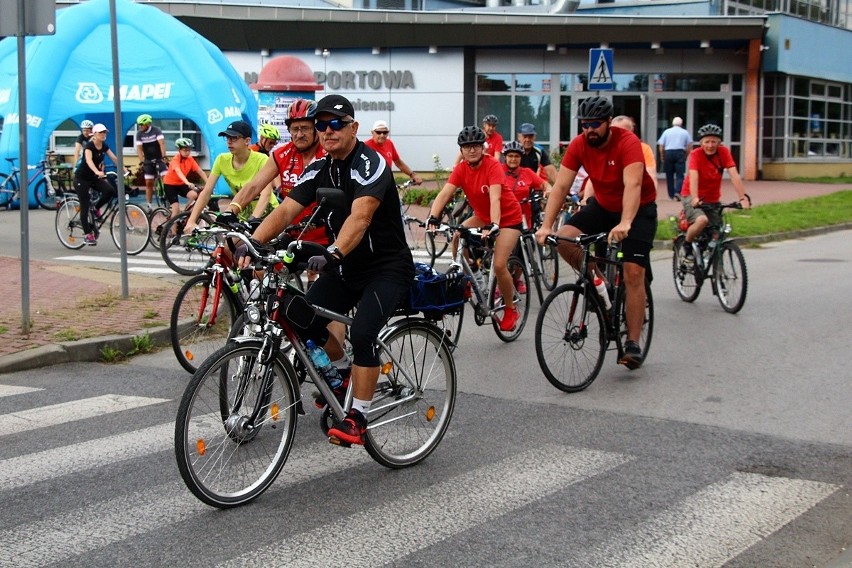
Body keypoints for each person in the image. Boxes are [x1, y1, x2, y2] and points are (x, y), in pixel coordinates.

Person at [239, 94, 413, 446]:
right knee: (300, 318)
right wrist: (253, 244)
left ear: (353, 127)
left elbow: (360, 216)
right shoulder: (319, 168)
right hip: (346, 265)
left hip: (386, 267)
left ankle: (358, 418)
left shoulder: (370, 163)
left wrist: (333, 252)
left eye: (336, 123)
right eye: (322, 124)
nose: (328, 130)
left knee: (363, 333)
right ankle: (345, 375)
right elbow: (287, 210)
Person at [535, 95, 657, 370]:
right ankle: (600, 286)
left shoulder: (627, 142)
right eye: (584, 124)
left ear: (608, 123)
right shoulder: (580, 144)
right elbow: (561, 187)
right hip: (603, 206)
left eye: (595, 124)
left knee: (633, 271)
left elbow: (634, 184)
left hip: (638, 209)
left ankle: (633, 344)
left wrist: (625, 222)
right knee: (564, 238)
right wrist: (546, 225)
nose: (589, 129)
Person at [428, 126, 524, 332]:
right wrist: (433, 217)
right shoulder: (461, 169)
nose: (471, 150)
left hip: (507, 218)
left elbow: (495, 197)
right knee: (457, 234)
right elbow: (445, 194)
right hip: (482, 216)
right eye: (467, 147)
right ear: (461, 150)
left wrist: (495, 224)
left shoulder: (492, 165)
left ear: (482, 148)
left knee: (499, 265)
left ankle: (510, 308)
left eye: (475, 146)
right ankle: (470, 274)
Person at [229, 98, 330, 279]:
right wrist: (231, 210)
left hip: (326, 238)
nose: (299, 134)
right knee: (262, 274)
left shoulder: (329, 154)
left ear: (316, 129)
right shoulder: (281, 154)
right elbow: (253, 186)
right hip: (292, 234)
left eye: (305, 128)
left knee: (322, 295)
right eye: (294, 129)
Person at [184, 120, 277, 232]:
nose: (229, 142)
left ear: (247, 141)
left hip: (267, 216)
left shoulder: (262, 159)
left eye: (234, 138)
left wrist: (253, 220)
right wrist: (191, 221)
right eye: (227, 138)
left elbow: (266, 194)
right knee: (226, 248)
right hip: (242, 217)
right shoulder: (221, 160)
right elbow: (206, 192)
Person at [679, 123, 751, 257]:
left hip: (712, 198)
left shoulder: (724, 152)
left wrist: (742, 198)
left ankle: (713, 264)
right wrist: (694, 198)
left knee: (718, 232)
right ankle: (687, 245)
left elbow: (734, 175)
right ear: (701, 143)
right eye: (707, 142)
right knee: (702, 220)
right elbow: (693, 177)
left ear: (719, 143)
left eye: (714, 142)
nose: (710, 145)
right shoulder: (695, 154)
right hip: (691, 195)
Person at [73, 123, 119, 246]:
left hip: (93, 177)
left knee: (109, 190)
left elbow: (114, 158)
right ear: (95, 134)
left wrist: (124, 169)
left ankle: (96, 208)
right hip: (81, 178)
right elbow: (88, 161)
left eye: (105, 132)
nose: (104, 135)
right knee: (85, 204)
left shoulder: (104, 146)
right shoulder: (89, 146)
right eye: (101, 133)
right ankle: (88, 234)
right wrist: (97, 171)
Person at [363, 120, 423, 186]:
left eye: (385, 132)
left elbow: (398, 162)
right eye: (378, 132)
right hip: (372, 184)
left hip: (387, 181)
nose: (382, 135)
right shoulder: (366, 146)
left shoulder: (389, 143)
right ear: (372, 133)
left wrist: (412, 174)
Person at [161, 137, 207, 220]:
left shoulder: (190, 159)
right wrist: (187, 182)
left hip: (180, 184)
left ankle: (185, 214)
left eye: (189, 150)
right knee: (176, 209)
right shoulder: (175, 160)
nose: (187, 152)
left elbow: (200, 172)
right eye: (185, 150)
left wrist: (208, 183)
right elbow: (179, 172)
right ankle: (173, 232)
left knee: (194, 195)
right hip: (170, 185)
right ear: (179, 150)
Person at [612, 115, 657, 190]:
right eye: (615, 131)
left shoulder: (644, 149)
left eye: (624, 132)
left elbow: (651, 176)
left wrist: (651, 198)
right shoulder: (604, 148)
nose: (619, 135)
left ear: (632, 132)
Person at [135, 114, 168, 212]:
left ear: (147, 124)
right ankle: (149, 205)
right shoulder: (139, 134)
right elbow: (139, 149)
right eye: (139, 125)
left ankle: (168, 198)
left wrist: (163, 157)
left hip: (159, 158)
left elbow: (161, 143)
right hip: (148, 161)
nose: (140, 126)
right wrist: (142, 161)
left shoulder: (156, 131)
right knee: (149, 183)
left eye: (142, 124)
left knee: (166, 179)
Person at [657, 117, 693, 201]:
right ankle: (678, 192)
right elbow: (689, 146)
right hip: (680, 152)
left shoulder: (667, 132)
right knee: (680, 175)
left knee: (669, 175)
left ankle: (671, 194)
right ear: (681, 123)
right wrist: (686, 156)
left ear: (672, 123)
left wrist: (662, 156)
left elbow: (661, 146)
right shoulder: (685, 132)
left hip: (668, 153)